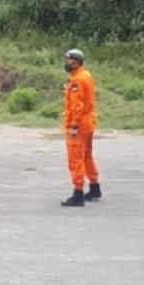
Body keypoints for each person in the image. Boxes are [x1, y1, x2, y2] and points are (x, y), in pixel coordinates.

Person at [59, 48, 100, 207]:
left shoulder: (77, 80)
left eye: (68, 60)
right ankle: (95, 187)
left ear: (75, 62)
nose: (66, 63)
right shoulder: (86, 76)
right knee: (87, 156)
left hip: (79, 125)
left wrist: (74, 125)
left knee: (75, 159)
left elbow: (77, 105)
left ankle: (78, 193)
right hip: (88, 122)